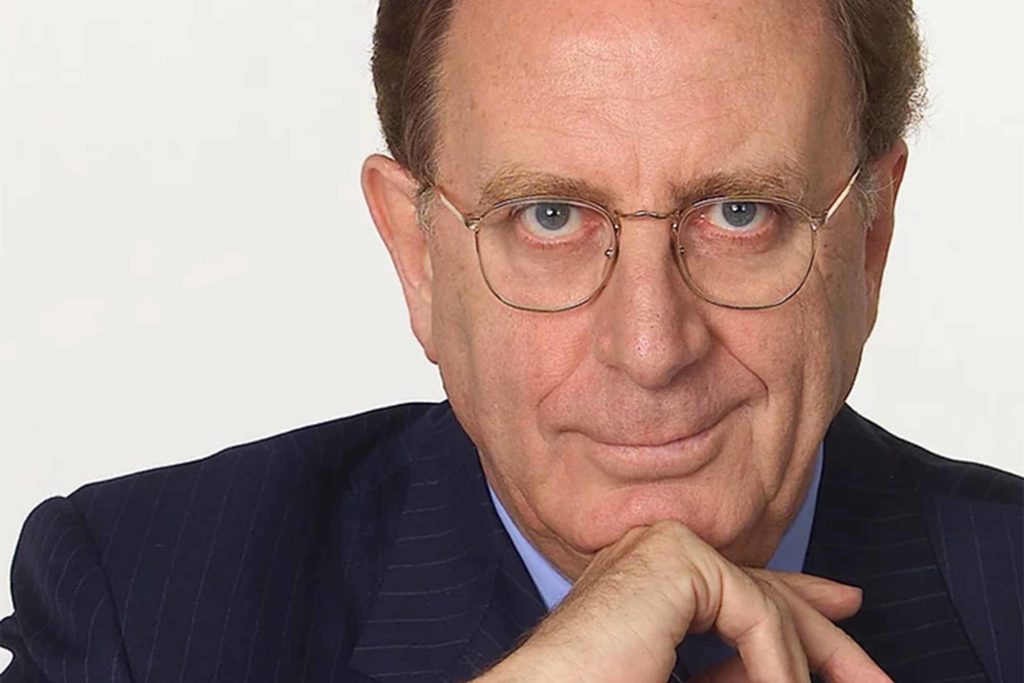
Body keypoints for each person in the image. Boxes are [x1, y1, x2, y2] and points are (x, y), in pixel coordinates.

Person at [1, 0, 1021, 681]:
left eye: (740, 212)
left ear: (871, 238)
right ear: (418, 257)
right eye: (548, 217)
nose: (650, 347)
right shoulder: (138, 609)